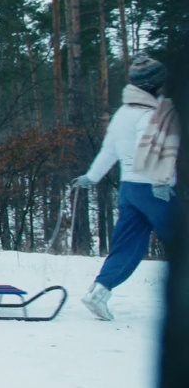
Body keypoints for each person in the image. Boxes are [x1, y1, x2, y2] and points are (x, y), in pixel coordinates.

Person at [72, 53, 180, 321]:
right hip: (154, 190)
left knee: (127, 245)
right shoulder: (152, 113)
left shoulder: (123, 113)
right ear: (155, 84)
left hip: (129, 189)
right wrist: (162, 181)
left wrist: (92, 177)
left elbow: (109, 150)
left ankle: (99, 292)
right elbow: (153, 146)